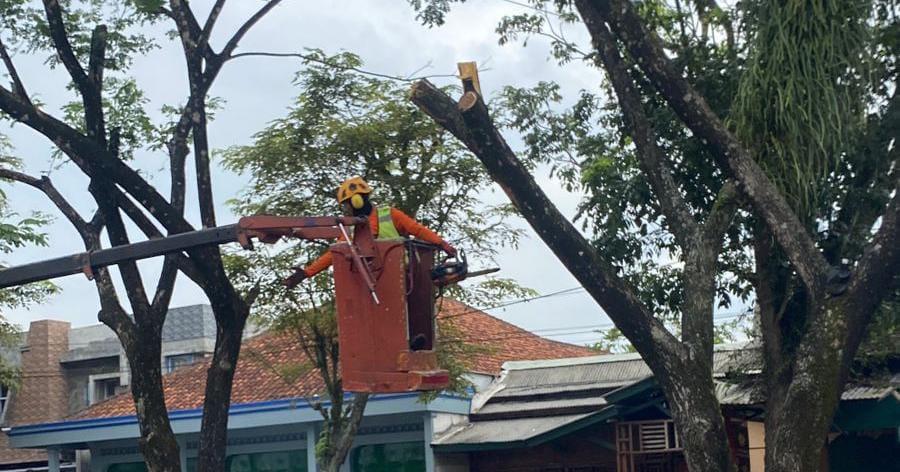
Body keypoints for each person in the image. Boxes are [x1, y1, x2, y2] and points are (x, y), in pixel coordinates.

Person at [283, 176, 457, 288]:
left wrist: (441, 243)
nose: (347, 208)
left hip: (399, 276)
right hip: (371, 281)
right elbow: (334, 253)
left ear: (355, 201)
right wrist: (307, 273)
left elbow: (416, 229)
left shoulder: (388, 214)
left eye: (346, 204)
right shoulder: (350, 227)